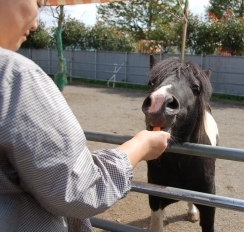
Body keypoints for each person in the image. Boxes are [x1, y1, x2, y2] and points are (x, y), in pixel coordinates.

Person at [0, 0, 170, 231]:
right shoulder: (14, 74)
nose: (37, 23)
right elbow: (76, 189)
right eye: (38, 2)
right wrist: (140, 146)